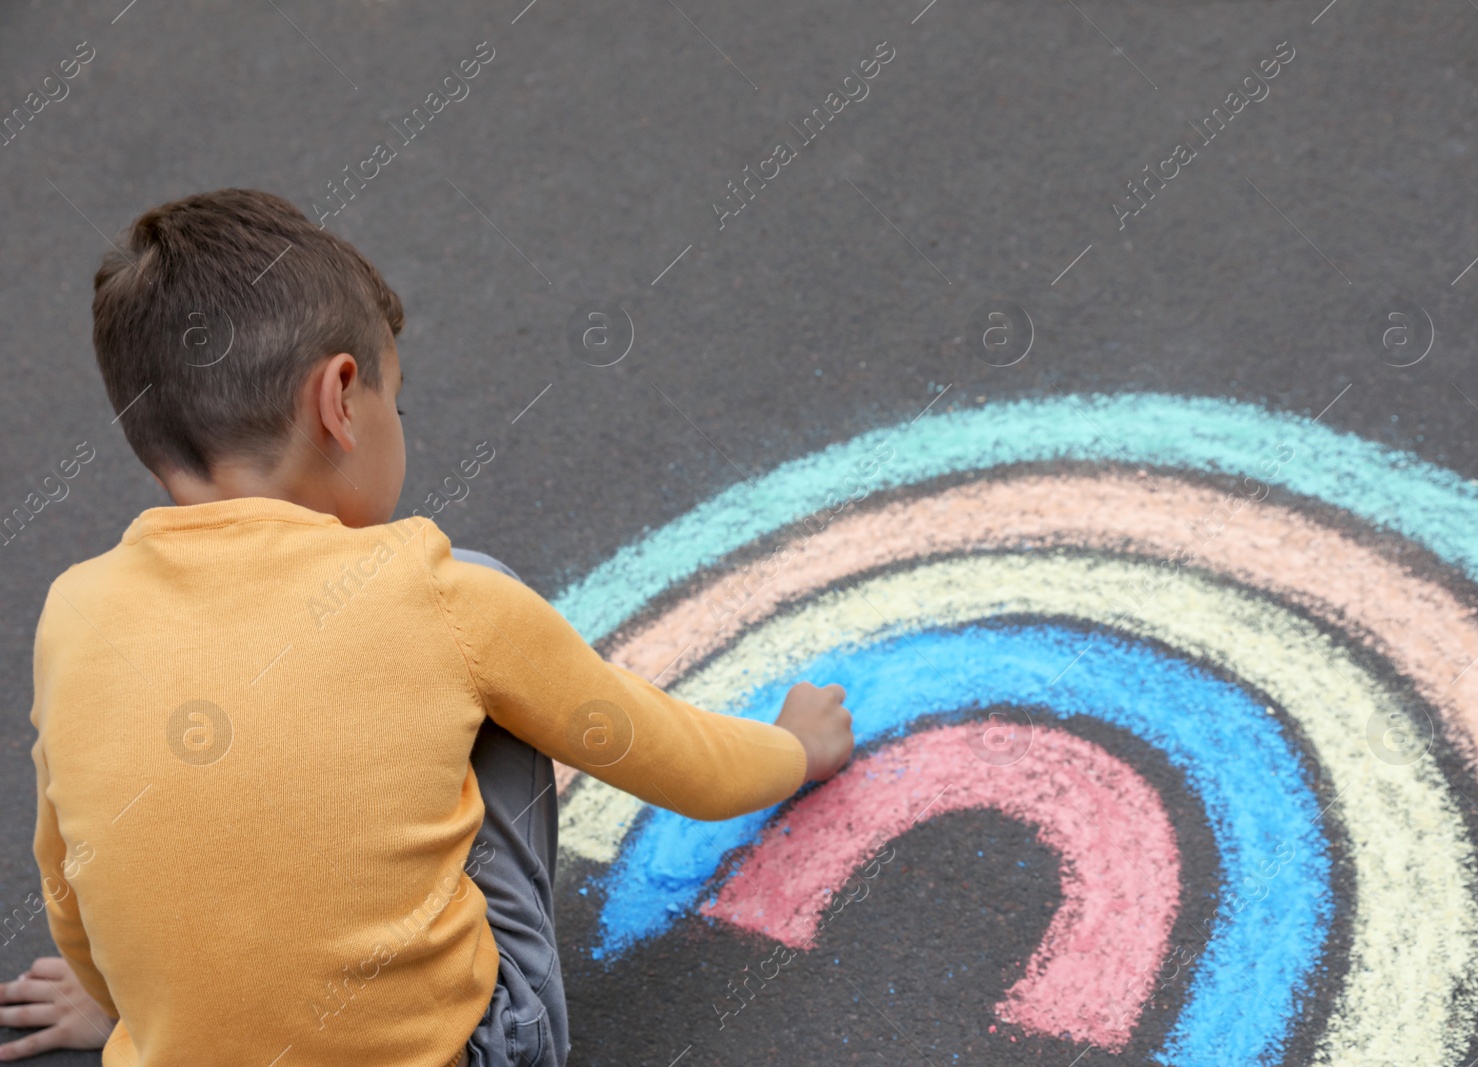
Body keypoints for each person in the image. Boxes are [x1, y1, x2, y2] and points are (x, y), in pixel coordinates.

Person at [0, 189, 855, 1066]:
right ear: (339, 399)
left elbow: (67, 871)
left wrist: (116, 1002)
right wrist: (797, 748)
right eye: (393, 403)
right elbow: (684, 764)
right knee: (486, 653)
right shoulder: (428, 590)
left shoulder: (74, 611)